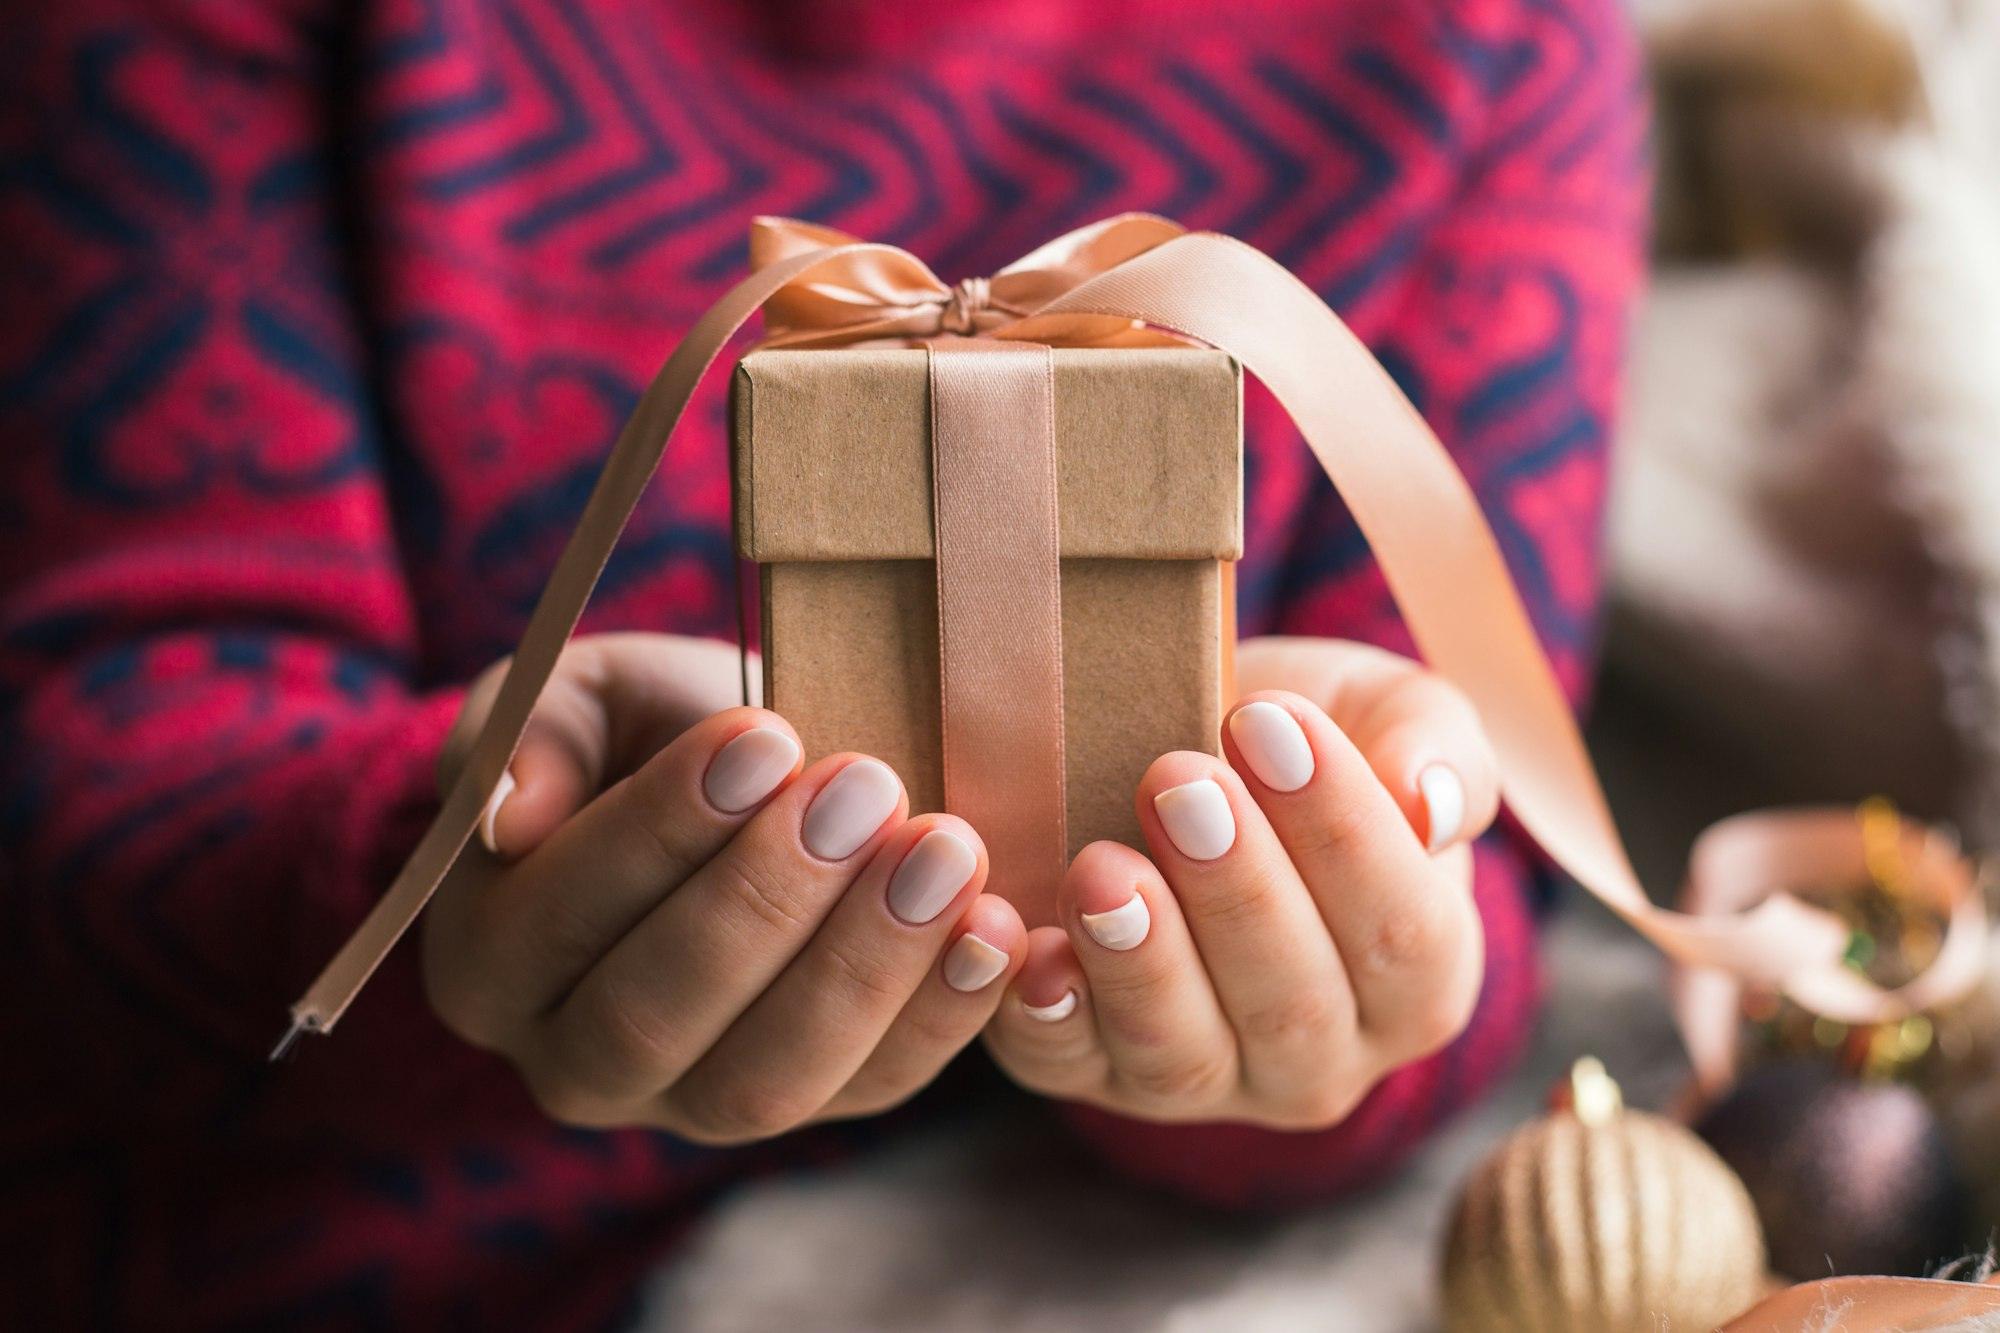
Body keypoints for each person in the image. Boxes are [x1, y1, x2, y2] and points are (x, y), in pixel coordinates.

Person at [0, 0, 1645, 1326]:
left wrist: (1318, 993)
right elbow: (81, 778)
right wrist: (429, 870)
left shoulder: (1491, 39)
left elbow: (1481, 883)